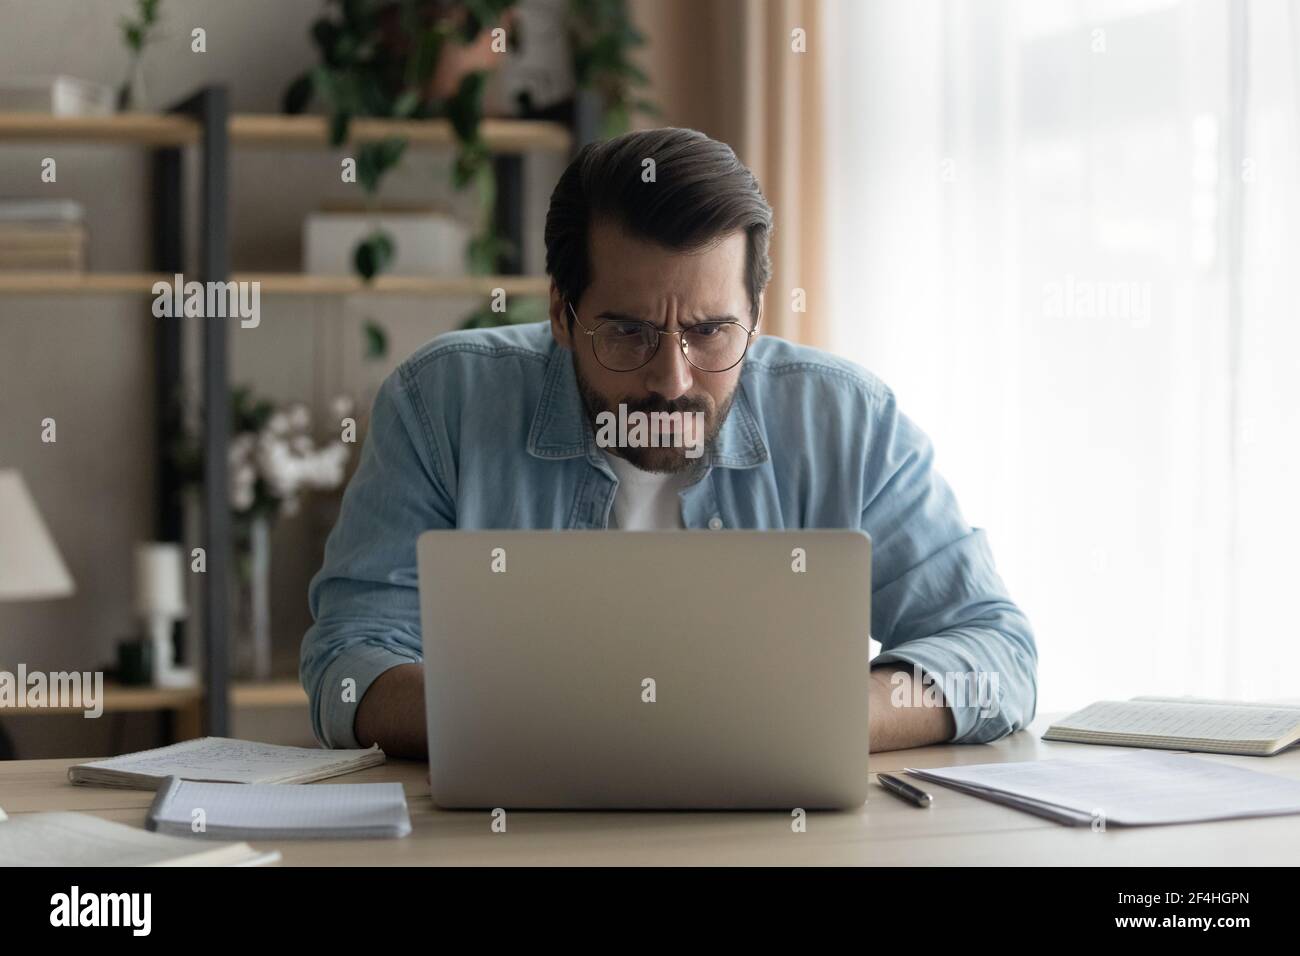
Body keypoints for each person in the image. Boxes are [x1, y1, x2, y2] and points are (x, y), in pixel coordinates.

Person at [301, 127, 1037, 758]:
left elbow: (996, 653)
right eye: (629, 332)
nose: (671, 378)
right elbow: (348, 663)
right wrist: (534, 727)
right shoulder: (441, 404)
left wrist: (823, 717)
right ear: (562, 312)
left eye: (712, 331)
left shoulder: (848, 421)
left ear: (755, 313)